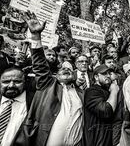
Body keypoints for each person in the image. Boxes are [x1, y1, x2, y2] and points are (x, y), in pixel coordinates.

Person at [12, 11, 83, 146]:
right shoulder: (48, 85)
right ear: (55, 75)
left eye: (69, 69)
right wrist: (36, 36)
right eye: (62, 69)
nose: (66, 69)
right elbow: (39, 64)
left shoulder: (81, 93)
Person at [83, 64, 120, 146]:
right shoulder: (92, 91)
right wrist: (114, 91)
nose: (108, 76)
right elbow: (106, 111)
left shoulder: (108, 91)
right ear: (96, 77)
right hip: (97, 139)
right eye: (104, 74)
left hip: (108, 137)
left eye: (109, 73)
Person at [0, 67, 34, 146]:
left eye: (17, 81)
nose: (11, 85)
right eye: (6, 82)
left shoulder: (34, 101)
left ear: (25, 82)